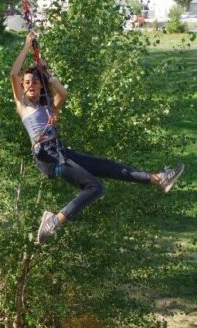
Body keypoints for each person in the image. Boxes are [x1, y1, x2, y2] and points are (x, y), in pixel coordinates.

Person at [10, 31, 185, 244]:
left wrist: (47, 74)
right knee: (95, 187)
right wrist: (27, 46)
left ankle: (159, 179)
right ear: (22, 86)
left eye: (35, 82)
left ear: (40, 86)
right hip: (49, 158)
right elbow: (13, 74)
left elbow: (63, 94)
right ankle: (53, 222)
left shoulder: (47, 107)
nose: (30, 85)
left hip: (60, 152)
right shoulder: (23, 106)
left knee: (107, 166)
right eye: (26, 82)